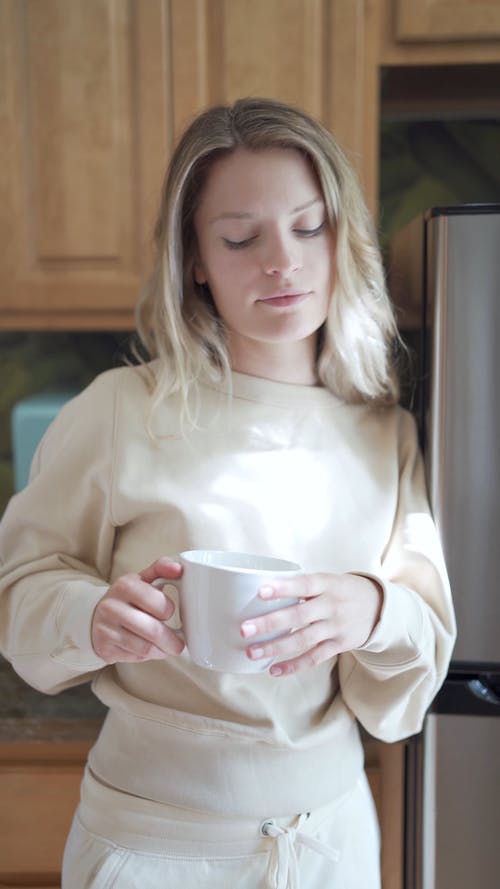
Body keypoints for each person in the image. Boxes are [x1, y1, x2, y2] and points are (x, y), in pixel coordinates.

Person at [0, 97, 456, 889]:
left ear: (342, 237)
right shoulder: (118, 411)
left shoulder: (387, 435)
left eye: (308, 226)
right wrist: (90, 614)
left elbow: (423, 650)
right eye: (241, 237)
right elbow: (18, 591)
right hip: (151, 842)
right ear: (196, 259)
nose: (281, 260)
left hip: (330, 843)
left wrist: (373, 609)